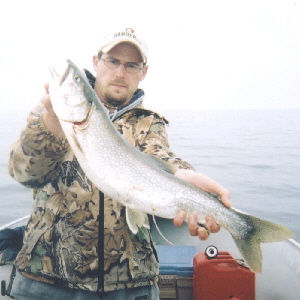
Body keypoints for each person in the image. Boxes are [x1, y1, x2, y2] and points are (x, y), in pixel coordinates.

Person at [6, 28, 231, 300]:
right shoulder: (52, 112)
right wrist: (51, 127)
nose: (120, 72)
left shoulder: (149, 122)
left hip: (130, 283)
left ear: (143, 72)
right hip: (48, 278)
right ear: (96, 62)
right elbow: (25, 174)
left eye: (131, 65)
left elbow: (161, 158)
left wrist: (183, 176)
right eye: (112, 61)